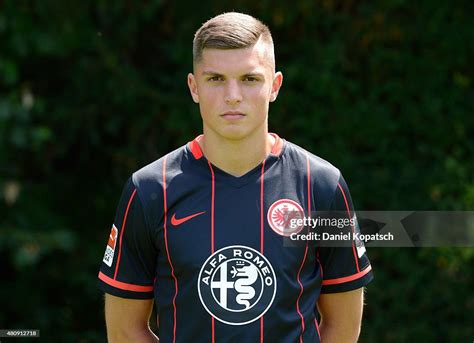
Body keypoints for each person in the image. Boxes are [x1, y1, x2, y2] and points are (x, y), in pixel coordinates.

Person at [98, 12, 373, 343]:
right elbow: (125, 331)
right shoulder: (149, 190)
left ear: (274, 86)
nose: (232, 95)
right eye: (215, 79)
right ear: (193, 86)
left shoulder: (322, 185)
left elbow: (342, 324)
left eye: (249, 79)